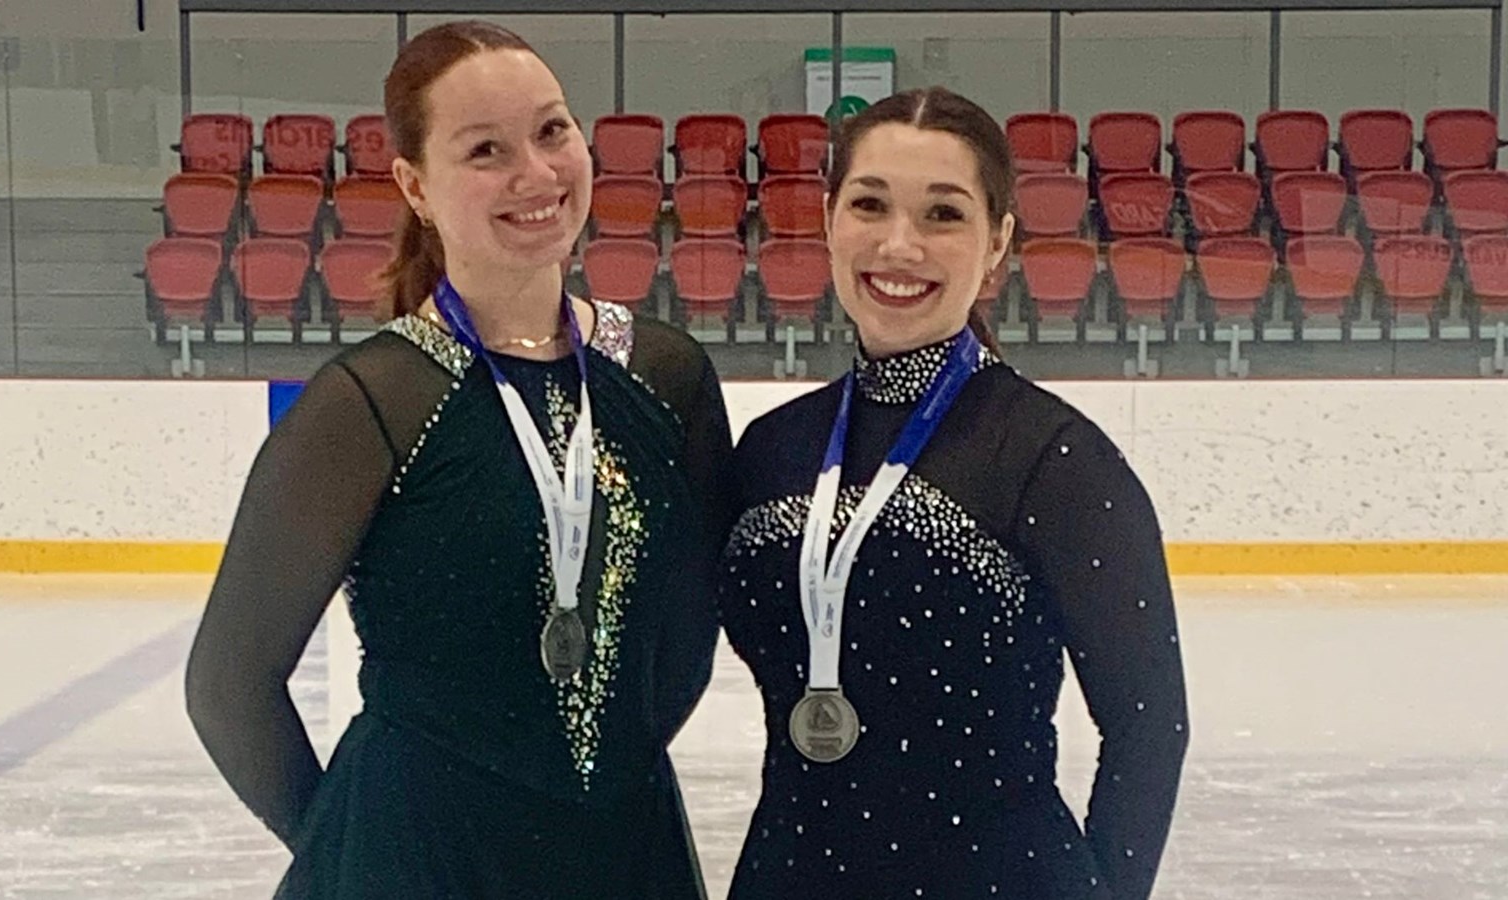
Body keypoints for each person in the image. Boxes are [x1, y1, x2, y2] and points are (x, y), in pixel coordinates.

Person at [184, 21, 732, 899]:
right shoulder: (368, 403)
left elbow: (687, 637)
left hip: (622, 852)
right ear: (416, 185)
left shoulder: (668, 376)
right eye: (486, 150)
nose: (537, 173)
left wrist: (591, 784)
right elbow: (229, 682)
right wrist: (350, 847)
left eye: (553, 131)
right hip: (416, 859)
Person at [717, 86, 1189, 900]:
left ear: (998, 240)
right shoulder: (771, 452)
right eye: (870, 204)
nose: (900, 245)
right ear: (830, 220)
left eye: (943, 214)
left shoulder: (1056, 460)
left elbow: (1150, 728)